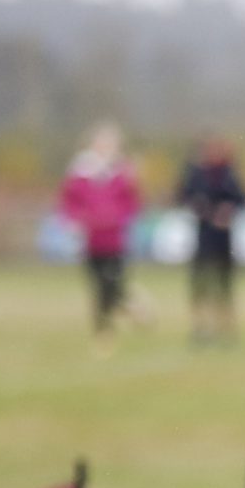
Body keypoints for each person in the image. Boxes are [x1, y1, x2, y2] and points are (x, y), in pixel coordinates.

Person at [57, 123, 142, 351]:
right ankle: (104, 330)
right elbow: (69, 202)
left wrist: (117, 218)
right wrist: (76, 221)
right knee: (97, 286)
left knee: (112, 284)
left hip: (114, 239)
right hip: (90, 239)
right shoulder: (81, 172)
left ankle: (124, 308)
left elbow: (132, 203)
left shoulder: (122, 172)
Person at [174, 136, 245, 346]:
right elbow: (183, 195)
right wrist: (198, 207)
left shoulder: (229, 173)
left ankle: (225, 326)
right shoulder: (197, 174)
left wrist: (229, 211)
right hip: (203, 235)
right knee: (201, 284)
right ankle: (200, 327)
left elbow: (244, 198)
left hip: (223, 236)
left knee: (224, 284)